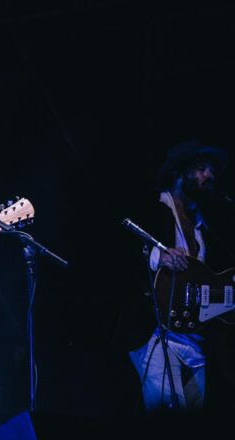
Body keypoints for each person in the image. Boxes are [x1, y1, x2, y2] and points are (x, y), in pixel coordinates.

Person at [129, 140, 231, 413]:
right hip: (158, 334)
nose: (208, 176)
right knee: (166, 422)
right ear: (178, 172)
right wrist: (157, 257)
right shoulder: (151, 207)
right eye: (200, 169)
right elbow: (115, 250)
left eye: (211, 171)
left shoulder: (204, 227)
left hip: (196, 343)